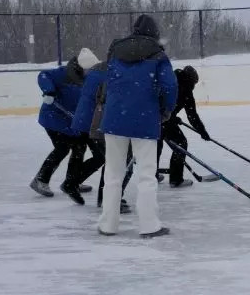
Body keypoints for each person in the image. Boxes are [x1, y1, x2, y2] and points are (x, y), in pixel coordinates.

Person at [98, 15, 177, 238]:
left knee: (113, 175)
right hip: (145, 119)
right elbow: (170, 85)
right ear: (153, 33)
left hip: (114, 119)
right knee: (146, 175)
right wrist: (166, 110)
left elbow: (108, 81)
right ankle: (149, 225)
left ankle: (108, 225)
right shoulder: (158, 54)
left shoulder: (115, 51)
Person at [30, 48, 100, 204]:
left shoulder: (89, 78)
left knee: (79, 147)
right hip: (53, 119)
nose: (91, 72)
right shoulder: (63, 73)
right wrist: (49, 91)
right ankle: (40, 180)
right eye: (89, 69)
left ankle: (72, 181)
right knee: (62, 148)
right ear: (81, 67)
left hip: (71, 122)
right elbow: (43, 75)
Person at [70, 60, 132, 213]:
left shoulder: (102, 71)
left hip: (94, 123)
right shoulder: (116, 75)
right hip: (103, 126)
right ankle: (107, 199)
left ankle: (103, 197)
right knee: (119, 164)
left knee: (109, 161)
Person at [157, 65, 210, 187]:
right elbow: (192, 114)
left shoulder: (171, 82)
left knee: (155, 147)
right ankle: (175, 179)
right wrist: (171, 117)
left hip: (156, 119)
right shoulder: (178, 87)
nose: (193, 86)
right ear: (190, 80)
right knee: (179, 143)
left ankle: (152, 175)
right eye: (193, 84)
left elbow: (192, 115)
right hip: (159, 119)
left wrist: (202, 131)